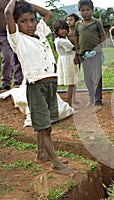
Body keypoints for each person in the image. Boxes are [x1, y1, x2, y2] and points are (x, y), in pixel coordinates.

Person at [5, 0, 76, 175]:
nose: (29, 24)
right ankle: (56, 162)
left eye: (32, 20)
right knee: (43, 127)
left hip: (50, 84)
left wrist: (26, 3)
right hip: (36, 86)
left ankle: (41, 154)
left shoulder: (40, 33)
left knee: (47, 123)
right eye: (23, 21)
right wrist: (15, 1)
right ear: (16, 23)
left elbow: (47, 14)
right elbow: (8, 13)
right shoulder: (17, 38)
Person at [74, 0, 106, 113]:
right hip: (83, 54)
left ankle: (98, 101)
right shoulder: (78, 24)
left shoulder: (96, 23)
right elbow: (76, 39)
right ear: (79, 11)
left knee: (97, 77)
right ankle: (92, 98)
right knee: (87, 78)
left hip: (95, 54)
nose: (85, 12)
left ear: (92, 10)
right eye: (83, 10)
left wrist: (99, 49)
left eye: (88, 9)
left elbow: (102, 36)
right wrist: (77, 54)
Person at [53, 20, 80, 107]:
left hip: (68, 60)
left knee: (73, 82)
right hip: (68, 62)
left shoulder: (63, 39)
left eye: (65, 29)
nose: (64, 31)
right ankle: (69, 103)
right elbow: (74, 48)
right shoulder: (61, 41)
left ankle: (73, 99)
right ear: (57, 30)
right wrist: (77, 40)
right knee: (71, 83)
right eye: (61, 29)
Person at [0, 0, 23, 90]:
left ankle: (18, 81)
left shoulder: (17, 1)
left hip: (16, 32)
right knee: (7, 56)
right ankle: (6, 82)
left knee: (19, 56)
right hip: (2, 33)